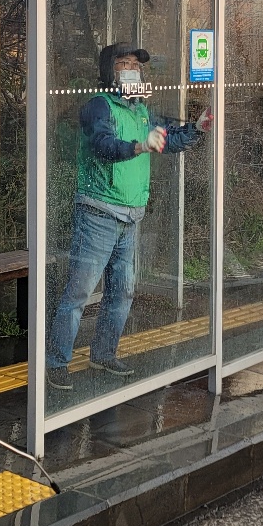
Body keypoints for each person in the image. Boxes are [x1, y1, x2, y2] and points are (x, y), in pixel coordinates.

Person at [46, 43, 210, 391]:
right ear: (109, 71)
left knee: (121, 293)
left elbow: (166, 138)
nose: (131, 70)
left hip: (131, 217)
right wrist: (140, 146)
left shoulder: (139, 110)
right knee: (79, 293)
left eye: (135, 65)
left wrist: (196, 128)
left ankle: (103, 354)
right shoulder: (98, 107)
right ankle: (56, 362)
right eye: (123, 64)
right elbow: (103, 146)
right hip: (98, 213)